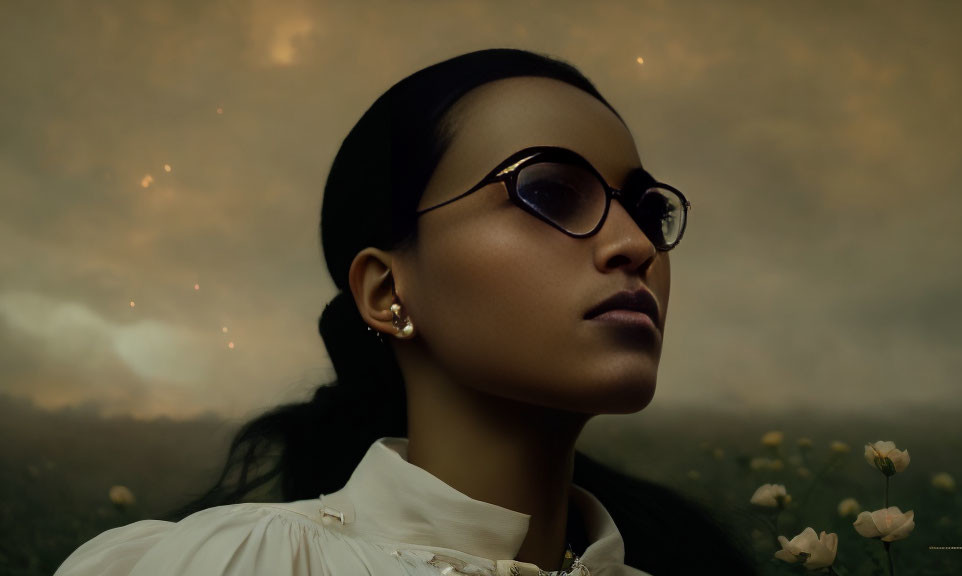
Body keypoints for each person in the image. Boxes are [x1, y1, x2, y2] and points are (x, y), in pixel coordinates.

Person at [54, 48, 756, 576]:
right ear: (386, 292)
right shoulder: (232, 563)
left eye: (648, 210)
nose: (635, 244)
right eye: (549, 192)